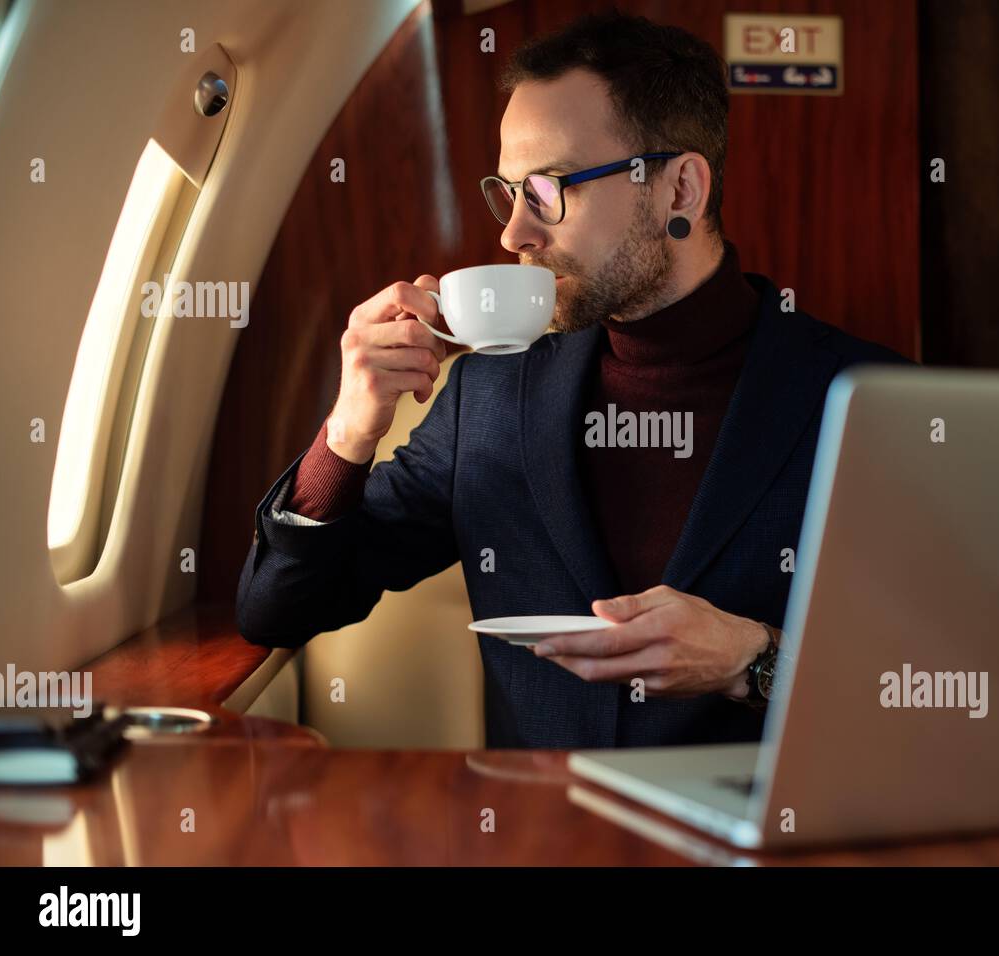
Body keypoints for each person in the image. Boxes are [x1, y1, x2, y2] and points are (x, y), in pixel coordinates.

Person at [236, 10, 908, 749]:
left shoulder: (873, 402)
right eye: (509, 191)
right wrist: (350, 429)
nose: (513, 233)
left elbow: (940, 693)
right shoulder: (487, 398)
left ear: (680, 189)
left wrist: (755, 662)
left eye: (549, 189)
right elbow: (278, 612)